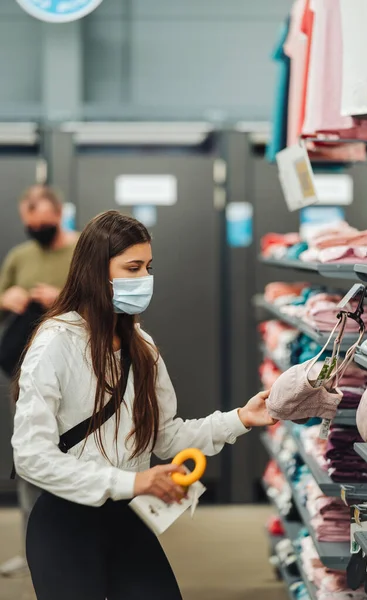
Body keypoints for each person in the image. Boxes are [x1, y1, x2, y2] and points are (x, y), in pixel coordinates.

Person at [11, 210, 276, 600]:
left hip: (126, 517)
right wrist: (131, 481)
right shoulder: (56, 342)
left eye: (148, 267)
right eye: (132, 268)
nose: (144, 279)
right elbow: (31, 456)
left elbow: (167, 437)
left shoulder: (142, 346)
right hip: (66, 522)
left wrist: (240, 419)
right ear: (96, 272)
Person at [0, 184, 79, 577]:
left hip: (78, 372)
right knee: (31, 457)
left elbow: (112, 303)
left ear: (59, 214)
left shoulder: (84, 250)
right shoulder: (19, 257)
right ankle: (35, 551)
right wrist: (6, 298)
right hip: (25, 374)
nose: (39, 230)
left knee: (80, 456)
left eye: (45, 223)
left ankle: (78, 547)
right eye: (32, 225)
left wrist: (62, 297)